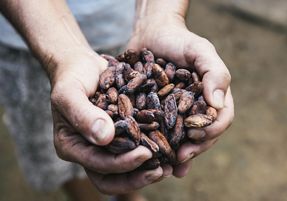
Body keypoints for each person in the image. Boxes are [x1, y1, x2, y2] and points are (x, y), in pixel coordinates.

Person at [0, 0, 234, 201]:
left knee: (126, 159)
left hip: (127, 22)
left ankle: (127, 196)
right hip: (31, 33)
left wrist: (162, 16)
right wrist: (64, 55)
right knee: (58, 149)